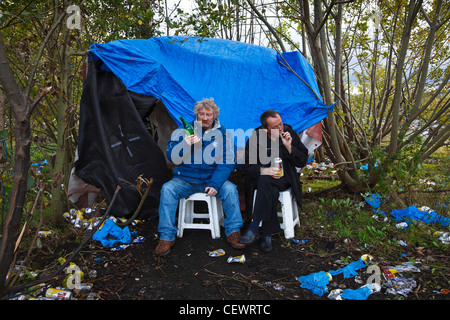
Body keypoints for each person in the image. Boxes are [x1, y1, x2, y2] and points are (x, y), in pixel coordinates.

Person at [155, 98, 244, 256]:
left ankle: (233, 231)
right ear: (196, 115)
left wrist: (215, 184)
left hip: (211, 179)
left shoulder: (224, 134)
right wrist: (185, 145)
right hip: (185, 179)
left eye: (208, 114)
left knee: (230, 189)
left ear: (214, 116)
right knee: (167, 189)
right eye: (201, 114)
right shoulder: (183, 131)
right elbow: (172, 157)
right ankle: (166, 236)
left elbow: (227, 163)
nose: (204, 117)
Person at [239, 110, 309, 252]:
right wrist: (264, 171)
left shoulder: (289, 133)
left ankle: (254, 226)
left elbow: (302, 160)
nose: (280, 129)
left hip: (286, 178)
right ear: (265, 129)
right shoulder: (256, 138)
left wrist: (289, 146)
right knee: (268, 184)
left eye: (281, 124)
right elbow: (246, 167)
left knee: (266, 183)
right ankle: (266, 235)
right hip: (264, 180)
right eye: (275, 127)